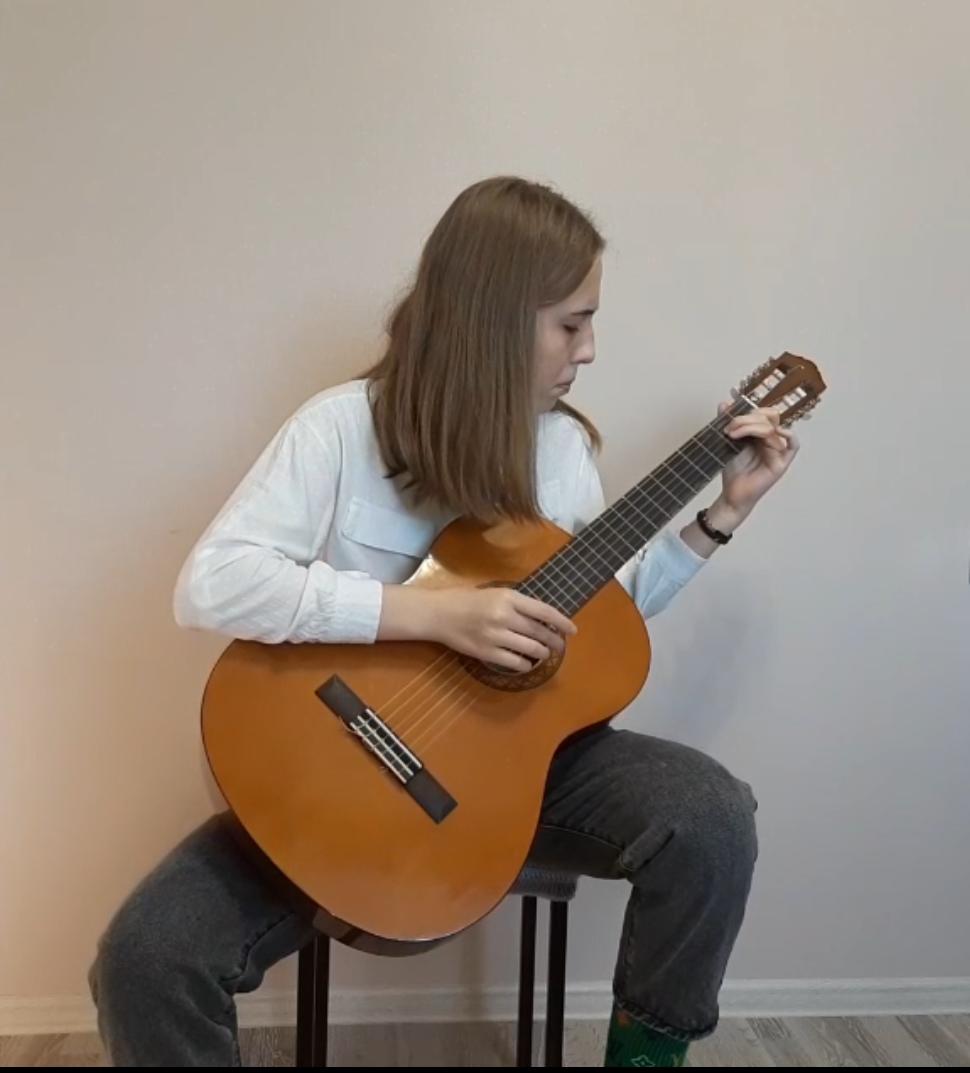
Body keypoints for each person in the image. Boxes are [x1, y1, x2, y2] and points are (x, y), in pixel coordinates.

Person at [89, 176, 799, 1067]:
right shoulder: (339, 430)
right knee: (145, 957)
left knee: (712, 815)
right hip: (343, 776)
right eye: (571, 323)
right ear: (496, 319)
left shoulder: (560, 449)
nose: (588, 349)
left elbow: (601, 618)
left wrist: (719, 517)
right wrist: (436, 616)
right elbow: (214, 584)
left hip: (527, 768)